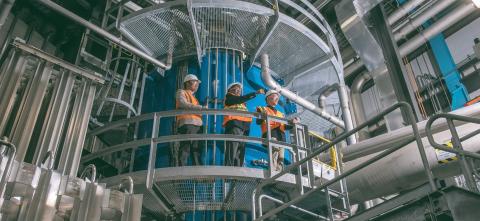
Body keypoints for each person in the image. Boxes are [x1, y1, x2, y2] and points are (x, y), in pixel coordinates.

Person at [223, 82, 264, 166]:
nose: (238, 90)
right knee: (232, 149)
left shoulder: (242, 103)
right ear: (230, 90)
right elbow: (239, 99)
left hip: (244, 127)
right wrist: (255, 93)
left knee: (240, 150)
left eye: (239, 89)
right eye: (236, 88)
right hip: (234, 124)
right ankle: (228, 170)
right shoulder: (229, 98)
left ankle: (238, 172)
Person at [256, 90, 299, 171]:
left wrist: (293, 123)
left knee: (281, 158)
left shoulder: (280, 113)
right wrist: (262, 116)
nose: (276, 99)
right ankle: (272, 172)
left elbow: (284, 126)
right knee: (274, 151)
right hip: (271, 135)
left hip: (281, 138)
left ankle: (278, 174)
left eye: (277, 98)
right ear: (268, 99)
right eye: (274, 97)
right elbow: (258, 122)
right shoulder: (262, 109)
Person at [175, 74, 205, 166]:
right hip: (187, 123)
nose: (197, 85)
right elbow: (182, 103)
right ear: (188, 83)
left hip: (197, 126)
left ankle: (199, 174)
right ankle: (181, 170)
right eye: (195, 82)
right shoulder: (181, 92)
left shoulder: (194, 98)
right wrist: (201, 108)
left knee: (197, 150)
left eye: (197, 83)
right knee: (185, 147)